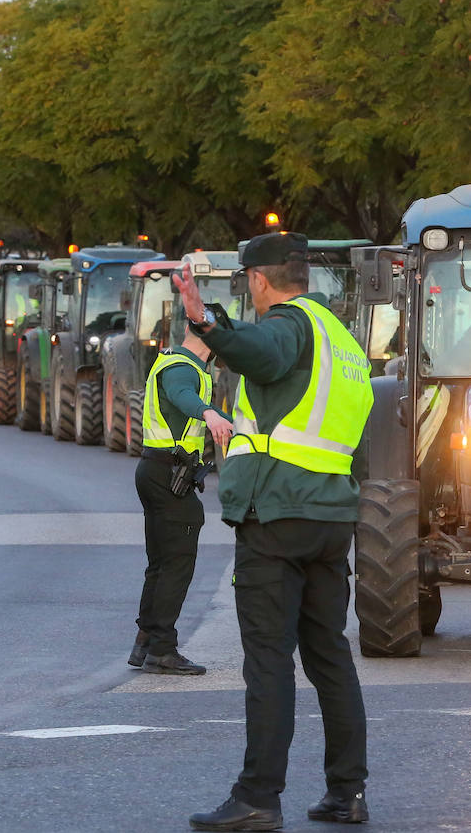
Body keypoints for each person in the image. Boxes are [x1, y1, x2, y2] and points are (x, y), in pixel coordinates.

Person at [177, 231, 374, 831]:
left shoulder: (288, 326)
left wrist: (207, 324)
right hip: (329, 518)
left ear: (258, 280)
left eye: (247, 284)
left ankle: (258, 796)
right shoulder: (343, 340)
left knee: (268, 660)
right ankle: (348, 793)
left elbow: (260, 352)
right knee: (329, 656)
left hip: (278, 515)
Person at [130, 324, 234, 675]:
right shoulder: (182, 369)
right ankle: (163, 648)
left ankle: (146, 639)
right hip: (169, 476)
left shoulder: (172, 359)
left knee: (160, 562)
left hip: (155, 470)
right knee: (176, 563)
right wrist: (207, 411)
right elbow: (180, 394)